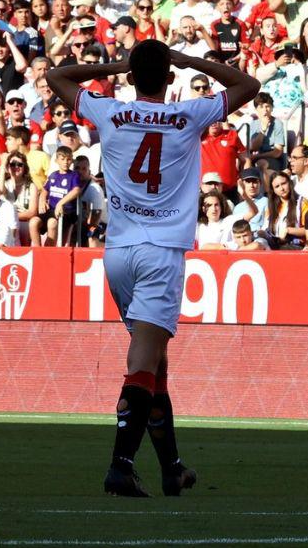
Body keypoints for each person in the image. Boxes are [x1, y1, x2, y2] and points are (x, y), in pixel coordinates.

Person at [45, 39, 260, 496]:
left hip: (119, 252)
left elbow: (55, 77)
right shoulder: (188, 114)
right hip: (161, 252)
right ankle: (120, 465)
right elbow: (248, 83)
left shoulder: (109, 112)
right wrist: (188, 61)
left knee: (156, 365)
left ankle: (172, 467)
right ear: (168, 77)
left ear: (131, 75)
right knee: (143, 361)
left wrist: (114, 65)